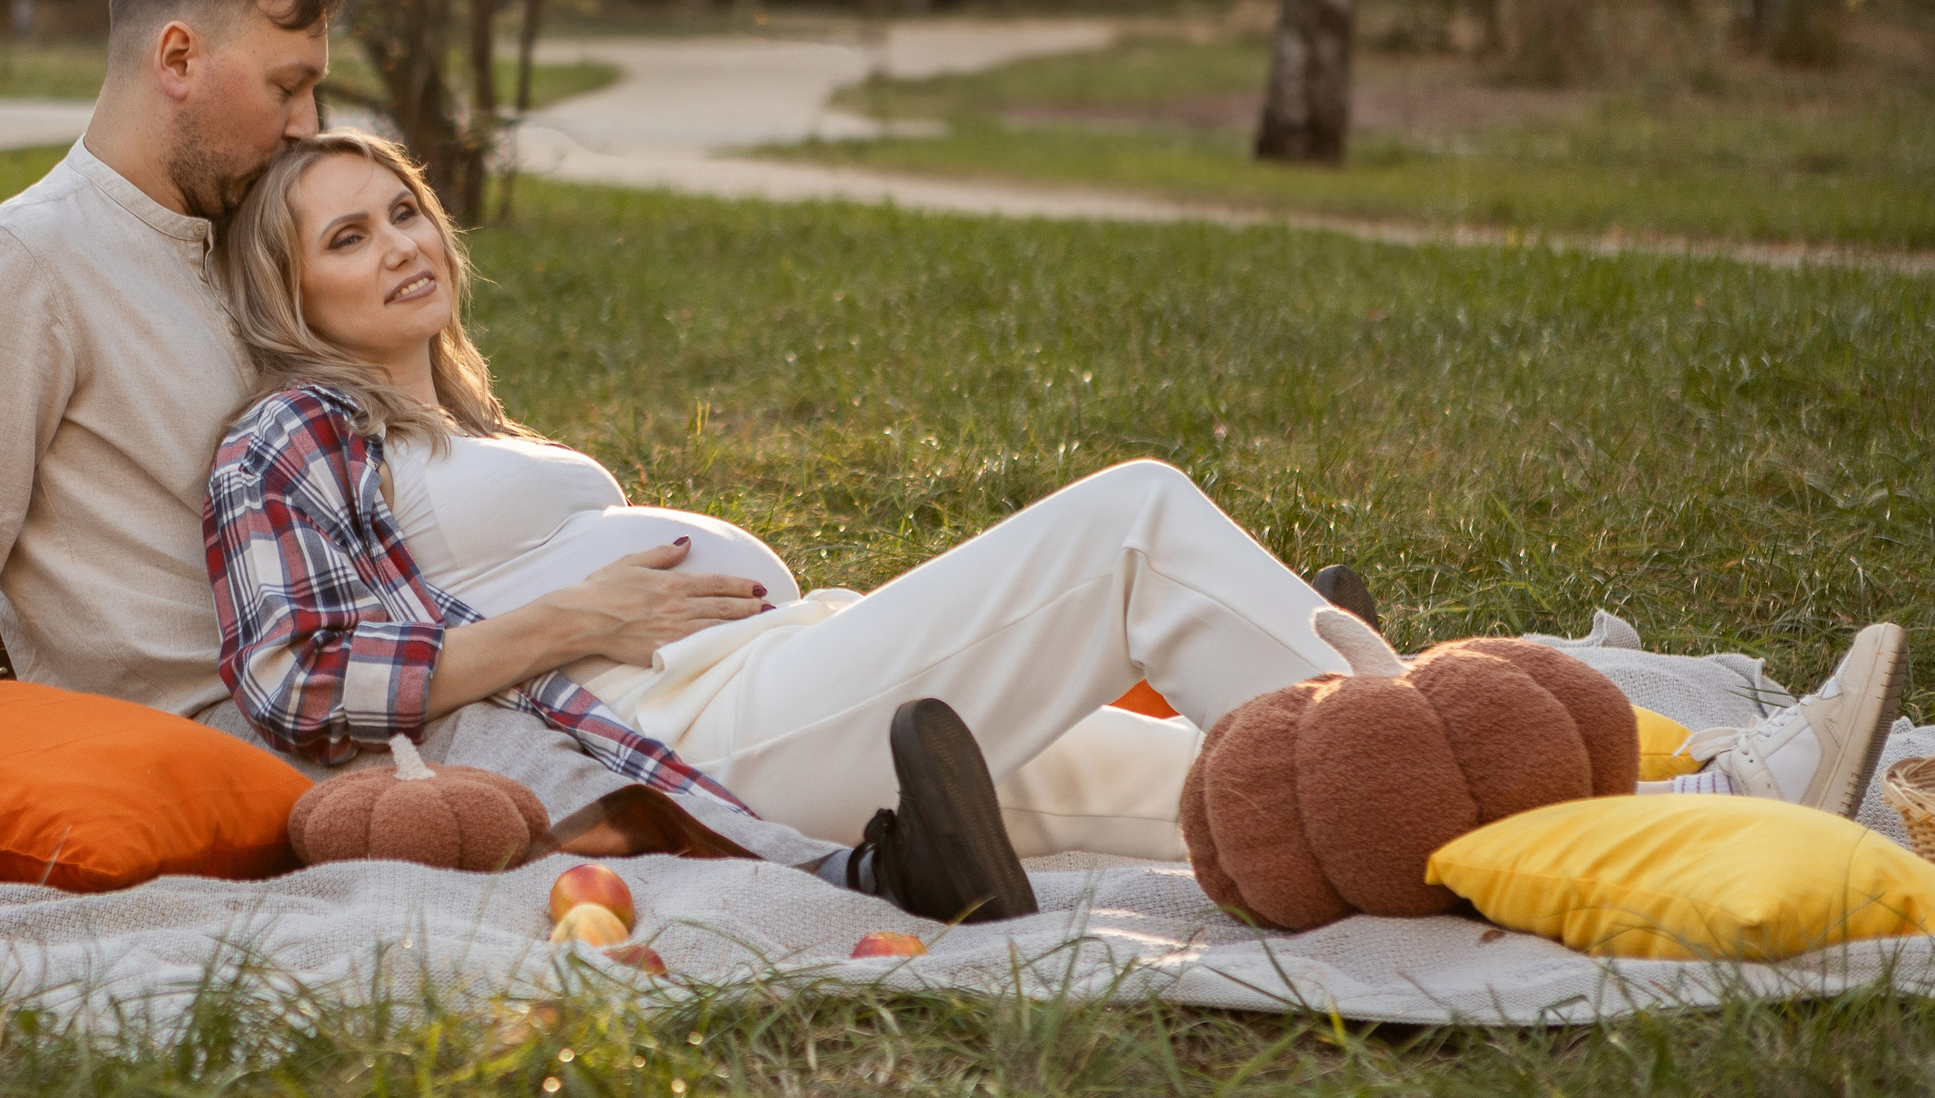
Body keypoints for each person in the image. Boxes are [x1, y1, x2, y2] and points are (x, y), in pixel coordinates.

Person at [204, 130, 1912, 910]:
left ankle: (1718, 819)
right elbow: (299, 674)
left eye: (405, 208)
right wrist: (576, 621)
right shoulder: (292, 432)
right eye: (346, 238)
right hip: (694, 741)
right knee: (1133, 521)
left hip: (787, 687)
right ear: (292, 293)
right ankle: (1473, 706)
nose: (401, 245)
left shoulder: (459, 418)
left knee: (1246, 810)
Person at [0, 0, 339, 708]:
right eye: (286, 87)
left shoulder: (247, 243)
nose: (307, 126)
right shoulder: (19, 268)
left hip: (372, 681)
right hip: (214, 741)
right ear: (178, 58)